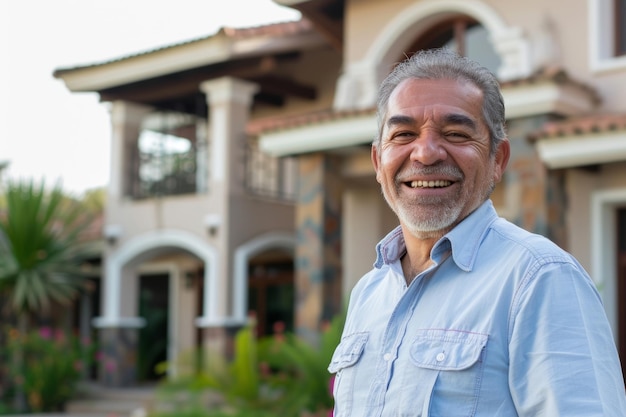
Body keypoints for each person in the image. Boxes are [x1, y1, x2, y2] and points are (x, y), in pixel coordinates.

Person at [328, 48, 626, 416]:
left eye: (455, 133)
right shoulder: (369, 292)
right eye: (403, 134)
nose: (425, 154)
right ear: (378, 160)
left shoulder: (539, 278)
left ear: (497, 160)